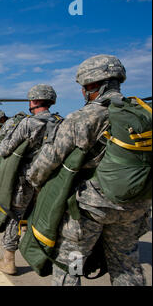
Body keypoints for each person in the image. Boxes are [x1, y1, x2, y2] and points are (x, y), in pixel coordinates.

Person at [26, 55, 152, 286]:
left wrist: (34, 182)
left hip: (89, 211)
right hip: (135, 208)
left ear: (93, 85)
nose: (84, 92)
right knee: (126, 265)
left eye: (85, 87)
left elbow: (45, 164)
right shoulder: (141, 113)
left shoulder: (83, 118)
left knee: (70, 266)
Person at [0, 84, 60, 275]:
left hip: (25, 181)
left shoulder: (29, 123)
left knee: (15, 216)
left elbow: (3, 149)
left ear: (35, 101)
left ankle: (8, 261)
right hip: (51, 182)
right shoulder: (60, 123)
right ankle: (42, 256)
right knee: (44, 218)